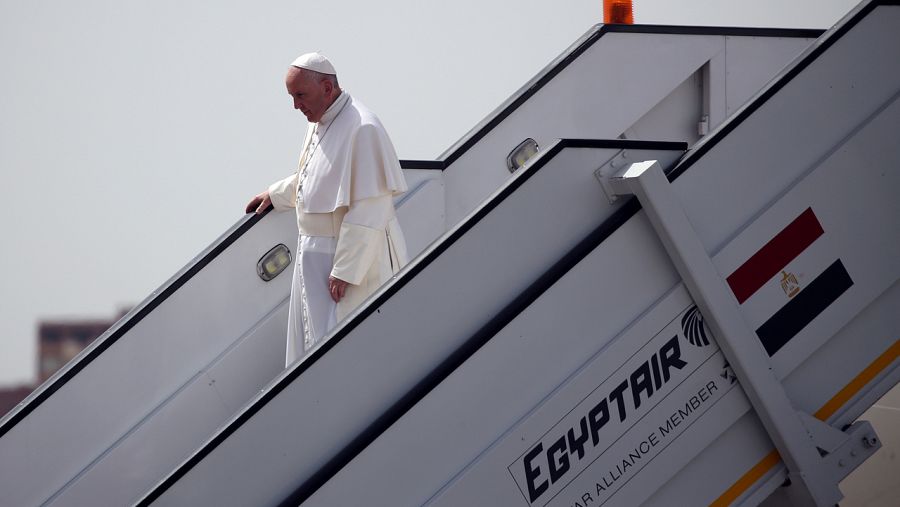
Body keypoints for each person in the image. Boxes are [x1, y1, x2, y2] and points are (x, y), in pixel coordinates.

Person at [245, 53, 408, 366]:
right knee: (312, 349)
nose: (296, 106)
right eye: (291, 97)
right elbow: (314, 177)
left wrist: (346, 269)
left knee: (346, 353)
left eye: (300, 95)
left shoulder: (363, 127)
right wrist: (276, 194)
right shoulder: (320, 119)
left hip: (345, 263)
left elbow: (370, 206)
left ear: (327, 88)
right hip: (314, 260)